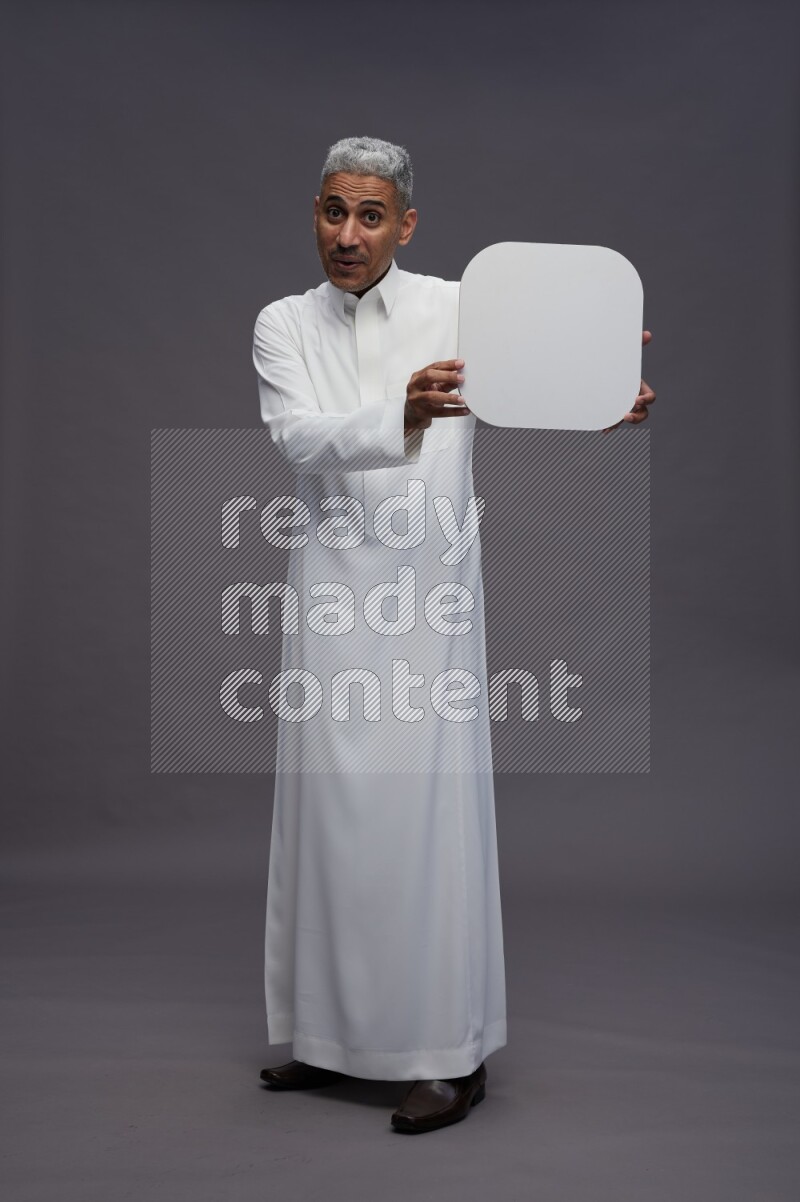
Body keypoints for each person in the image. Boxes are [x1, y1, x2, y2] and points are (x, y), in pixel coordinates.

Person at [251, 136, 655, 1135]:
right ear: (314, 211)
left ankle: (446, 1054)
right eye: (333, 211)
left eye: (371, 215)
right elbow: (298, 435)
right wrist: (400, 409)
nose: (348, 235)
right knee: (326, 822)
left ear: (406, 224)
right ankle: (325, 1035)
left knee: (424, 827)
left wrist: (606, 396)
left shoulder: (453, 306)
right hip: (331, 604)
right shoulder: (280, 324)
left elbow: (537, 380)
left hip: (426, 605)